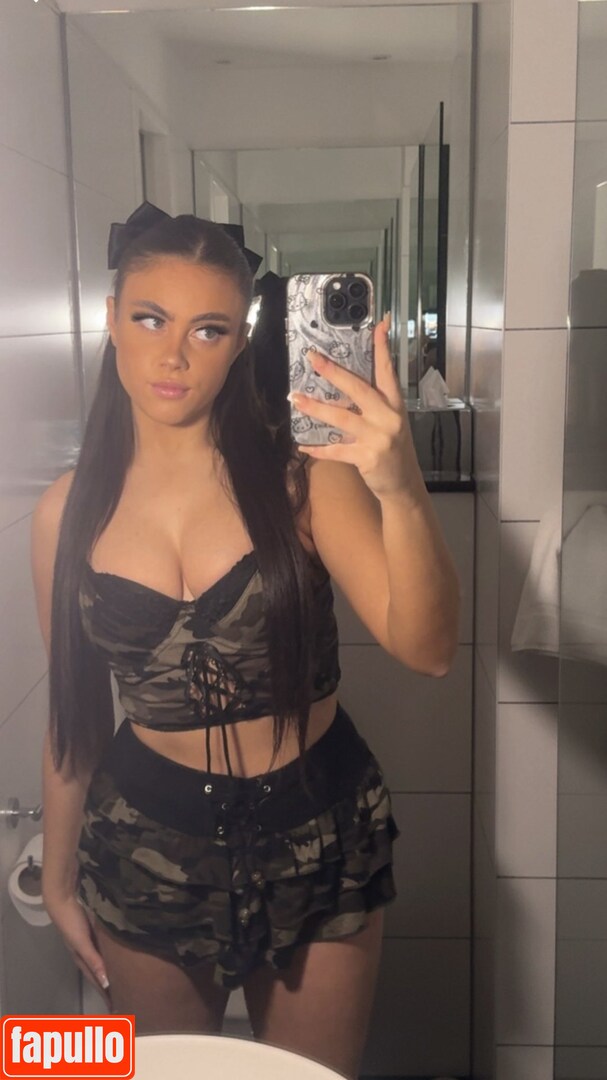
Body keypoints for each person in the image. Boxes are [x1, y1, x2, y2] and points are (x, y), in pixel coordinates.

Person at [31, 201, 460, 1080]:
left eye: (208, 329)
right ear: (110, 319)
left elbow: (429, 650)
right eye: (150, 319)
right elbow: (73, 718)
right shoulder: (64, 514)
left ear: (238, 342)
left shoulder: (301, 481)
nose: (174, 355)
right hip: (147, 842)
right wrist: (63, 880)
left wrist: (398, 484)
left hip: (317, 828)